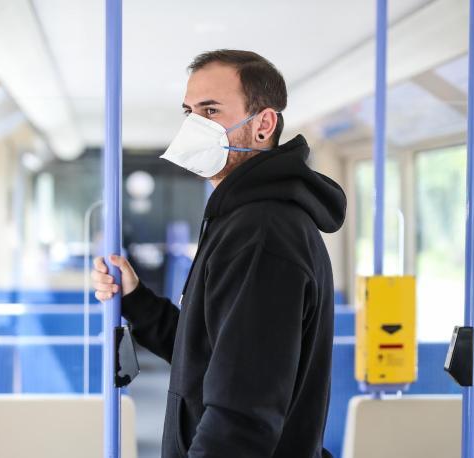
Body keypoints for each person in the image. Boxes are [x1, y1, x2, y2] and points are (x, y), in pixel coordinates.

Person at [93, 49, 346, 458]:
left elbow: (241, 418)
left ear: (263, 125)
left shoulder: (261, 234)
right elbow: (209, 355)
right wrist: (136, 300)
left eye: (210, 111)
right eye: (189, 112)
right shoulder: (238, 218)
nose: (194, 125)